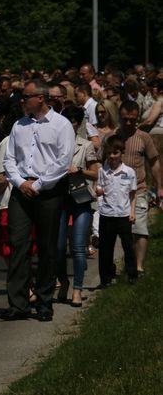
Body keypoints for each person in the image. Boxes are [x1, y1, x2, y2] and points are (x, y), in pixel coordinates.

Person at [1, 79, 75, 321]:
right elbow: (9, 159)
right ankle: (18, 304)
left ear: (41, 98)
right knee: (18, 245)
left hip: (49, 191)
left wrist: (39, 184)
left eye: (26, 96)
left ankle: (44, 303)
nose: (23, 100)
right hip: (21, 190)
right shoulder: (19, 125)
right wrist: (21, 183)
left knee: (47, 247)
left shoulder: (61, 125)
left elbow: (63, 162)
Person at [56, 107, 100, 307]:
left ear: (78, 123)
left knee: (78, 246)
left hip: (80, 197)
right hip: (59, 198)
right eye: (67, 120)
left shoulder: (86, 145)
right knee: (57, 247)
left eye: (74, 121)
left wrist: (79, 170)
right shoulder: (54, 144)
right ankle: (63, 280)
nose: (70, 124)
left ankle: (77, 289)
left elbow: (95, 173)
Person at [114, 100, 163, 275]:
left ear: (137, 119)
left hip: (139, 189)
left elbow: (154, 162)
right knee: (118, 231)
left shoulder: (143, 137)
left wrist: (159, 187)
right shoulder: (113, 137)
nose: (128, 123)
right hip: (115, 192)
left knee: (140, 228)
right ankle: (119, 265)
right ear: (119, 116)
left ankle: (138, 266)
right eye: (125, 119)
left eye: (132, 120)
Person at [95, 135, 138, 286]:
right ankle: (105, 278)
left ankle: (132, 275)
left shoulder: (129, 172)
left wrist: (132, 212)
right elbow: (99, 187)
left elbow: (132, 194)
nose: (112, 156)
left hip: (123, 214)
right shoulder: (102, 171)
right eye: (109, 153)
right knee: (106, 248)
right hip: (107, 214)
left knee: (128, 246)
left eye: (116, 153)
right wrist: (99, 192)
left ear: (122, 153)